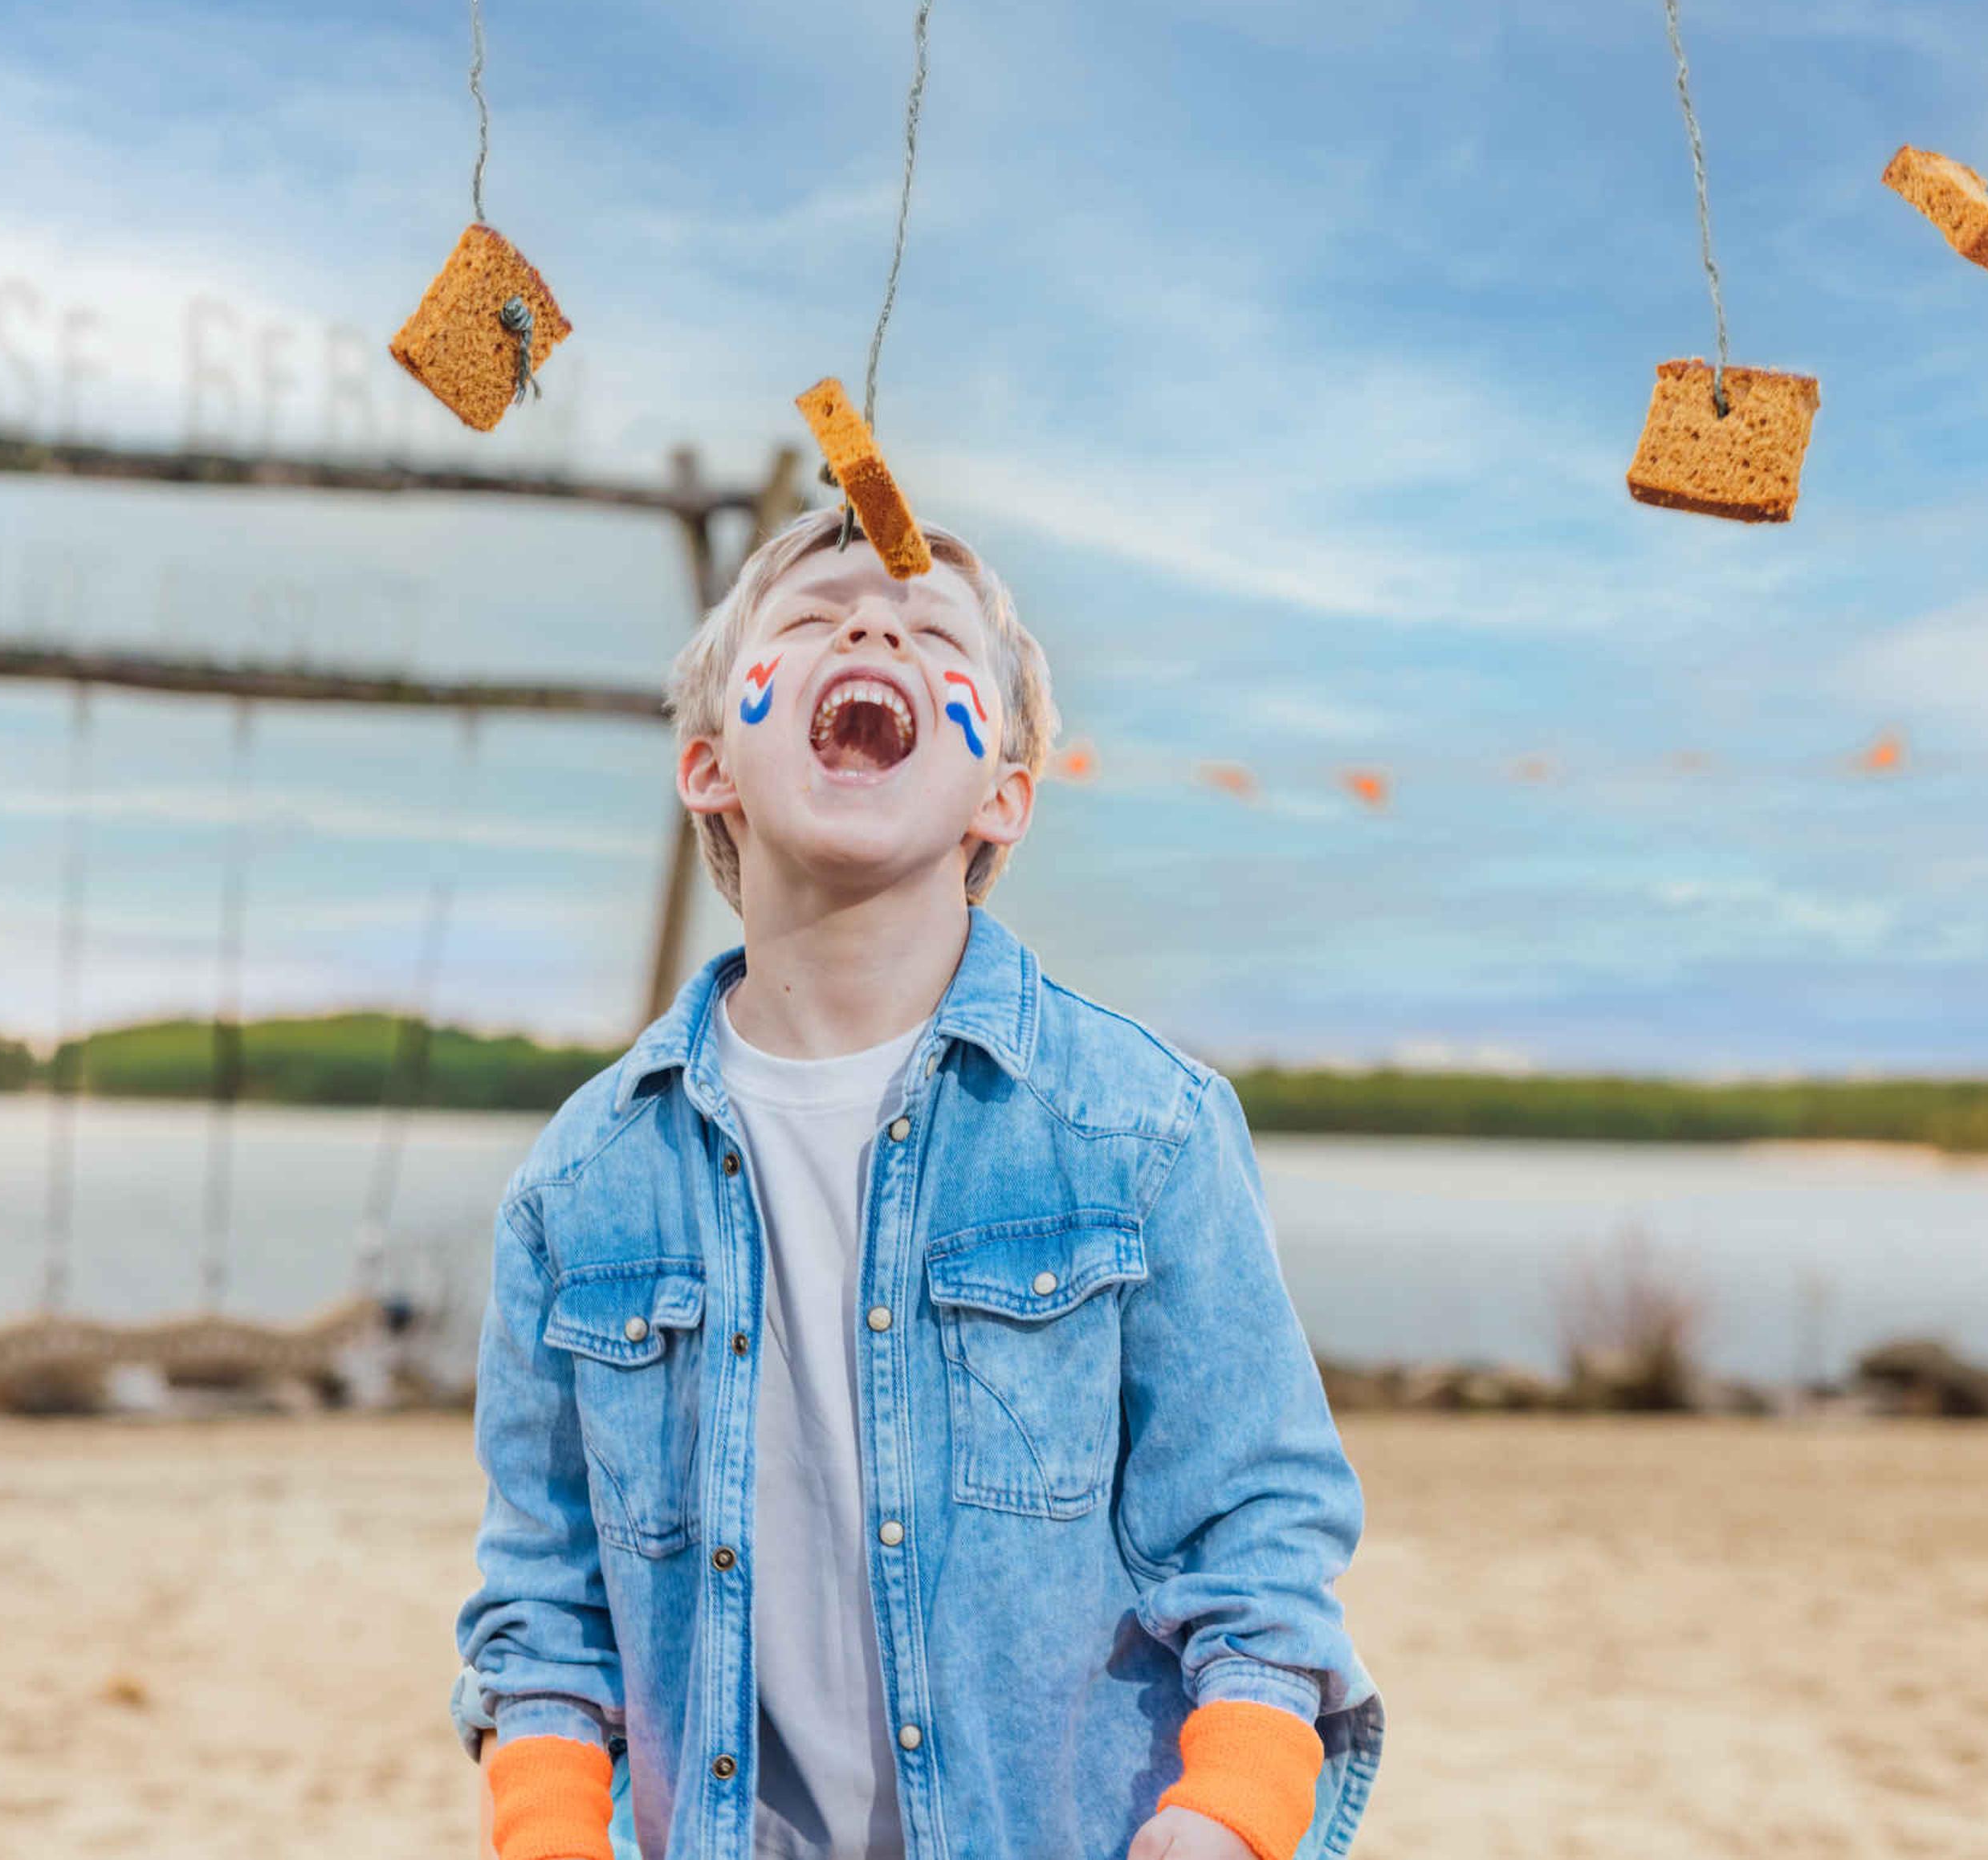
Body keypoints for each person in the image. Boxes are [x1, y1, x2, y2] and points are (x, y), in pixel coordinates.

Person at [450, 505, 1384, 1860]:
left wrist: (1229, 1812)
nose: (875, 627)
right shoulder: (577, 1189)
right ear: (708, 766)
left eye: (932, 629)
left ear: (1003, 792)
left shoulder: (1146, 1131)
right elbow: (545, 1608)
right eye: (812, 615)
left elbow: (1260, 1533)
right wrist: (549, 1838)